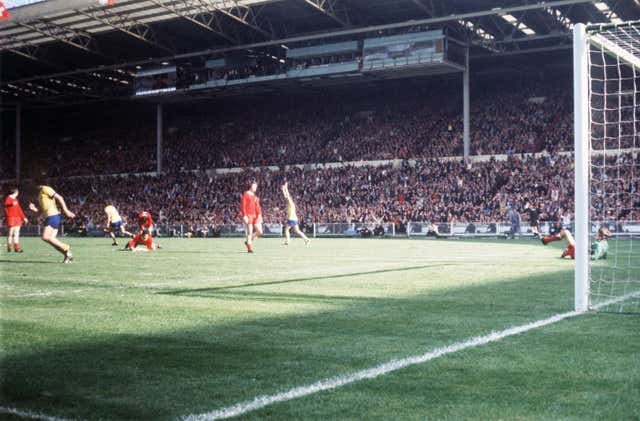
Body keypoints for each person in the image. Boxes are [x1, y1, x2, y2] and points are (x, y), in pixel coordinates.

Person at [28, 182, 75, 263]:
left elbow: (60, 197)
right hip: (51, 216)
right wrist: (34, 209)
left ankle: (66, 247)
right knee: (51, 239)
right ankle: (67, 255)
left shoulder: (46, 188)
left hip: (52, 215)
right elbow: (42, 211)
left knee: (45, 237)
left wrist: (66, 210)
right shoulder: (40, 194)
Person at [541, 226, 611, 260]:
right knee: (570, 236)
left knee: (566, 232)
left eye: (597, 233)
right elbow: (603, 256)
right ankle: (567, 251)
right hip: (579, 252)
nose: (595, 234)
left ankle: (546, 240)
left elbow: (595, 257)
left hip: (578, 254)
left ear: (601, 236)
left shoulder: (598, 244)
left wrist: (582, 257)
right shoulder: (606, 244)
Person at [5, 187, 29, 253]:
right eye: (17, 192)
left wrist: (24, 217)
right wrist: (12, 204)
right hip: (11, 218)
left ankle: (16, 248)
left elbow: (19, 209)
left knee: (17, 233)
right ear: (15, 192)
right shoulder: (8, 198)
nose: (18, 193)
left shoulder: (16, 199)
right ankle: (9, 247)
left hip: (17, 218)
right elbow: (6, 204)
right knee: (10, 233)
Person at [241, 180, 262, 253]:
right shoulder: (246, 194)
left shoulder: (255, 196)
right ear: (251, 186)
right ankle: (249, 248)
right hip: (248, 215)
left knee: (260, 231)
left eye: (256, 186)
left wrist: (259, 214)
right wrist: (244, 215)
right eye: (254, 186)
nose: (256, 187)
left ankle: (248, 241)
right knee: (249, 232)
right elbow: (243, 205)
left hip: (255, 215)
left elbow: (258, 207)